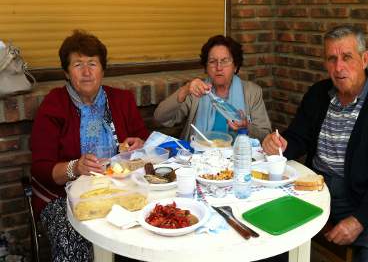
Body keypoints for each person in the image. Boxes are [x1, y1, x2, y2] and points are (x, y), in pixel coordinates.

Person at [262, 25, 368, 262]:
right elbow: (297, 138)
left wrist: (359, 219)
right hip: (316, 190)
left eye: (346, 57)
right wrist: (279, 145)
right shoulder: (318, 93)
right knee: (270, 236)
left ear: (365, 59)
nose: (339, 67)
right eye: (331, 59)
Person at [31, 30, 149, 262]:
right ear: (67, 72)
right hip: (62, 197)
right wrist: (75, 167)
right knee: (71, 240)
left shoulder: (122, 100)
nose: (86, 72)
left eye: (92, 64)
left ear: (102, 69)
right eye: (78, 64)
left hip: (121, 190)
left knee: (144, 230)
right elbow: (41, 168)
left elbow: (144, 144)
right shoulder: (54, 105)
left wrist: (139, 146)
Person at [154, 34, 271, 141]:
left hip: (237, 158)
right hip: (198, 158)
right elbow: (160, 118)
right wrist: (185, 90)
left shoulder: (252, 92)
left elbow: (265, 135)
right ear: (206, 67)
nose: (218, 67)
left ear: (235, 66)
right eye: (212, 61)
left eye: (225, 61)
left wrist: (246, 127)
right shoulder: (197, 91)